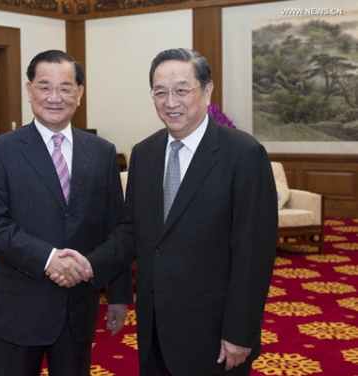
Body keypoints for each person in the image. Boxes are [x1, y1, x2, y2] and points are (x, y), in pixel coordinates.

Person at [52, 48, 278, 376]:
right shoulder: (144, 154)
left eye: (182, 89)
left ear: (208, 90)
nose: (171, 102)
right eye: (160, 92)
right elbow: (133, 230)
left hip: (214, 335)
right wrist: (88, 264)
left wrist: (240, 332)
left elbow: (254, 254)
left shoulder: (243, 155)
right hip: (154, 329)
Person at [0, 50, 133, 376]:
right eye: (45, 87)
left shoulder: (101, 153)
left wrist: (118, 295)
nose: (55, 98)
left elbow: (117, 228)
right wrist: (48, 259)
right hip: (16, 310)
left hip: (76, 311)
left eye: (66, 88)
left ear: (80, 93)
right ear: (29, 90)